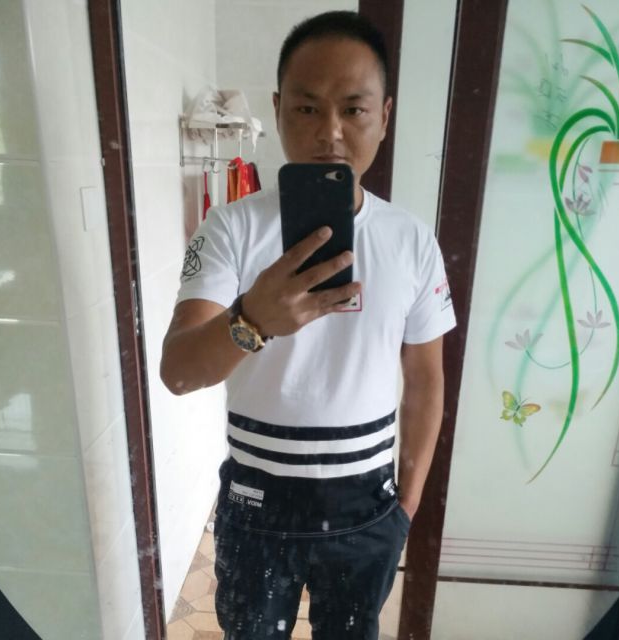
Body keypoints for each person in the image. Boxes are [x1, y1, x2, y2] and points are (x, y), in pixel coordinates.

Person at [161, 10, 456, 639]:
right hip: (256, 502)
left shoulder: (411, 241)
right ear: (277, 109)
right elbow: (179, 372)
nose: (331, 132)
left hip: (367, 506)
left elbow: (427, 379)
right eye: (306, 108)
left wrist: (406, 506)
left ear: (384, 116)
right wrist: (251, 320)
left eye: (353, 109)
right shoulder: (231, 228)